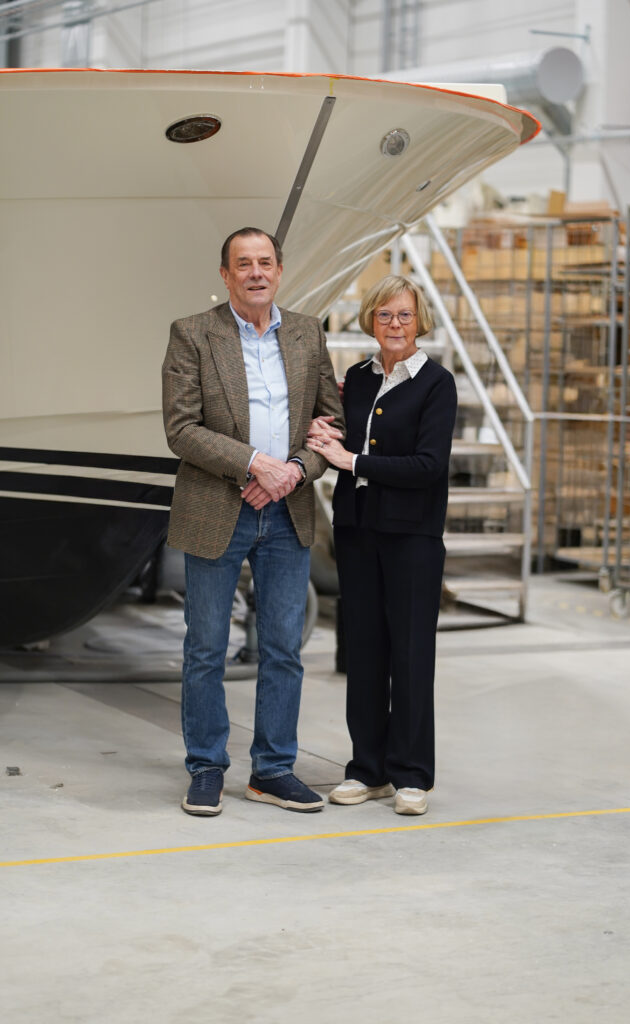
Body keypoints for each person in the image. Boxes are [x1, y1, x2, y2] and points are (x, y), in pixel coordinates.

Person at [162, 227, 343, 816]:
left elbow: (329, 423)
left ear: (280, 270)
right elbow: (181, 429)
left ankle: (272, 770)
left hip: (287, 510)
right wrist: (255, 464)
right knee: (206, 648)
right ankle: (207, 768)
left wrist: (294, 469)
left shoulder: (308, 333)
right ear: (225, 274)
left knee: (284, 648)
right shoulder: (193, 334)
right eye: (244, 264)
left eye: (266, 262)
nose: (256, 273)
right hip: (218, 507)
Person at [306, 275, 457, 816]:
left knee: (411, 654)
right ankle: (367, 769)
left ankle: (411, 774)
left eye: (405, 316)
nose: (395, 325)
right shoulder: (358, 378)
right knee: (365, 653)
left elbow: (429, 465)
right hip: (358, 531)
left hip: (412, 537)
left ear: (420, 322)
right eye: (386, 315)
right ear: (371, 319)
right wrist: (328, 436)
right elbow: (349, 438)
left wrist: (352, 462)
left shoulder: (437, 383)